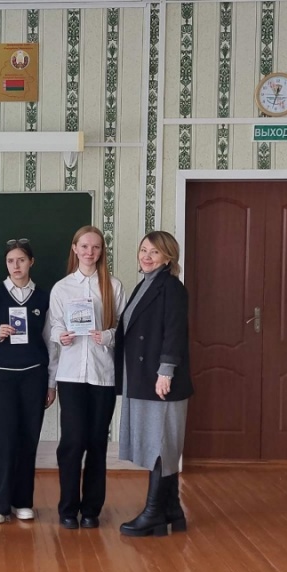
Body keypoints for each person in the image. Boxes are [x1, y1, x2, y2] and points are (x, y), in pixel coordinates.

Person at [115, 230, 193, 537]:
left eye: (154, 252)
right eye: (144, 250)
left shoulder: (171, 287)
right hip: (143, 377)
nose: (146, 256)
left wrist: (166, 372)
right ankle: (172, 510)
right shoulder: (145, 284)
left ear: (168, 257)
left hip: (160, 379)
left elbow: (174, 332)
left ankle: (153, 515)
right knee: (160, 444)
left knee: (160, 446)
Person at [49, 226, 126, 529]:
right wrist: (61, 335)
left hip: (102, 376)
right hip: (71, 376)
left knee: (96, 442)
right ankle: (68, 509)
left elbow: (123, 329)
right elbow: (54, 326)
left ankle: (91, 510)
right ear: (75, 248)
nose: (89, 252)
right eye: (84, 246)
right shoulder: (62, 288)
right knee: (72, 441)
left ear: (101, 251)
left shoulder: (114, 286)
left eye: (95, 247)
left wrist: (107, 336)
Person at [0, 238, 58, 524]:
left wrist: (51, 383)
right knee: (4, 438)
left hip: (34, 375)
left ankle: (22, 500)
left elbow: (51, 342)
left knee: (28, 438)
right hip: (2, 374)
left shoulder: (44, 297)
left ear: (31, 262)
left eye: (21, 260)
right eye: (11, 261)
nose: (16, 266)